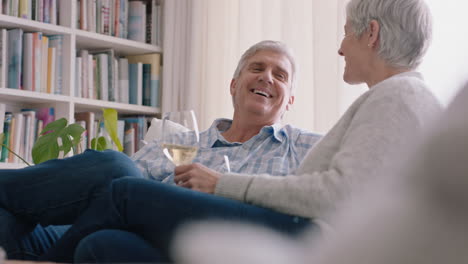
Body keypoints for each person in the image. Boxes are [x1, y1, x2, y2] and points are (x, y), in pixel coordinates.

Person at [36, 0, 442, 262]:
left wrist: (225, 184)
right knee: (100, 245)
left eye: (346, 32)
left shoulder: (399, 96)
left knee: (124, 192)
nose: (340, 47)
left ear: (370, 34)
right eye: (256, 69)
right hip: (284, 232)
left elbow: (338, 195)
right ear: (234, 84)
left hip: (299, 239)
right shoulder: (397, 98)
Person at [0, 41, 321, 260]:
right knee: (101, 211)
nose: (266, 77)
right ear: (234, 85)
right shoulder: (183, 143)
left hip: (190, 251)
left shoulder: (306, 146)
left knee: (110, 191)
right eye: (257, 68)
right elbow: (111, 192)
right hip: (118, 234)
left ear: (289, 100)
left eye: (280, 75)